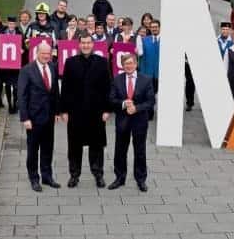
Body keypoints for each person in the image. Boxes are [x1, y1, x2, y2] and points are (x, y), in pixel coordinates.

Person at [59, 33, 113, 188]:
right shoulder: (70, 62)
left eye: (88, 43)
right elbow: (65, 88)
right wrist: (64, 111)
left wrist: (107, 109)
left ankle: (98, 174)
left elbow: (107, 87)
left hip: (96, 112)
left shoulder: (102, 62)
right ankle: (74, 175)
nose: (86, 45)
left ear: (93, 44)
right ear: (79, 44)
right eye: (83, 43)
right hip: (75, 112)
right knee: (74, 145)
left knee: (97, 145)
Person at [108, 54, 156, 192]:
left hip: (139, 121)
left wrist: (137, 108)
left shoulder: (146, 80)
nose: (128, 66)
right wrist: (123, 103)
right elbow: (111, 99)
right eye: (126, 64)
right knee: (120, 150)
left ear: (136, 64)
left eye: (131, 63)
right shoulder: (117, 79)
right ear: (122, 65)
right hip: (122, 121)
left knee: (140, 151)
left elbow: (151, 101)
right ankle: (119, 178)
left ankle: (141, 180)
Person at [18, 42, 61, 192]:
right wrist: (25, 118)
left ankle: (47, 177)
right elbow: (22, 96)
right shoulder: (26, 70)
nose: (46, 56)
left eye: (48, 54)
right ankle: (34, 178)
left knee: (48, 148)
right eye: (43, 53)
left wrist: (57, 112)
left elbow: (55, 92)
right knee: (33, 150)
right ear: (37, 53)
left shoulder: (52, 67)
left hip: (49, 117)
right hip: (34, 118)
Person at [137, 20, 161, 120]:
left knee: (160, 94)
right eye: (152, 27)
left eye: (156, 27)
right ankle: (149, 113)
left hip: (160, 73)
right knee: (149, 94)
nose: (154, 29)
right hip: (147, 73)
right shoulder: (144, 40)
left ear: (159, 28)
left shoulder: (166, 40)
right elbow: (141, 56)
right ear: (150, 29)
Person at [0, 16, 22, 114]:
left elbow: (23, 46)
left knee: (16, 86)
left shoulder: (19, 33)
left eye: (13, 24)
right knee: (8, 85)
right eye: (10, 23)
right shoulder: (3, 33)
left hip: (16, 64)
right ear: (7, 23)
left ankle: (15, 102)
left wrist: (22, 50)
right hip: (6, 65)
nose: (11, 25)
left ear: (15, 24)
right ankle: (10, 104)